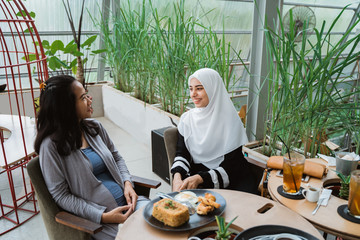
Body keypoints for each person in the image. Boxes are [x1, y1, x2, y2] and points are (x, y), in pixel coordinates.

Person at [34, 75, 148, 240]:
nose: (89, 99)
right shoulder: (51, 147)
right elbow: (61, 196)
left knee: (169, 223)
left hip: (131, 205)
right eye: (83, 97)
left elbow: (117, 157)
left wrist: (128, 183)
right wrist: (103, 216)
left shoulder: (94, 127)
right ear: (66, 107)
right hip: (102, 223)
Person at [171, 68, 258, 193]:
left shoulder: (229, 120)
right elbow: (182, 153)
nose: (193, 94)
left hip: (231, 175)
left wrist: (201, 178)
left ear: (213, 89)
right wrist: (177, 176)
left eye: (199, 88)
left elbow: (232, 165)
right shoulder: (187, 119)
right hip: (199, 175)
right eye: (191, 88)